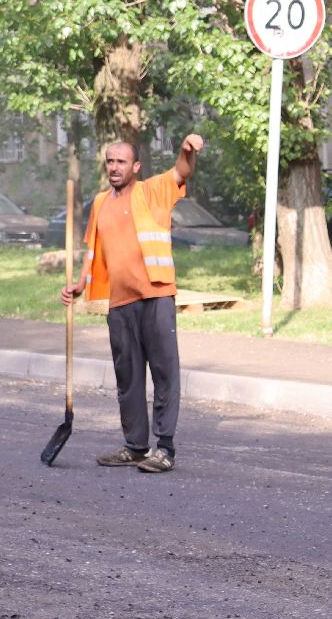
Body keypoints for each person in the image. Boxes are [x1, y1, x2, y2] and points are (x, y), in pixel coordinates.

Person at [61, 134, 204, 474]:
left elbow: (181, 172)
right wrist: (81, 283)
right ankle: (136, 446)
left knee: (164, 372)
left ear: (135, 167)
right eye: (110, 161)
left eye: (121, 161)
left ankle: (164, 447)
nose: (114, 167)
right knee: (127, 377)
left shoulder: (152, 190)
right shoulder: (100, 203)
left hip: (155, 295)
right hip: (120, 301)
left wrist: (187, 151)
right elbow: (93, 248)